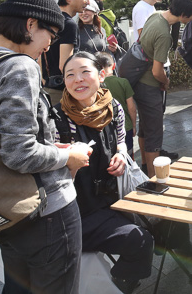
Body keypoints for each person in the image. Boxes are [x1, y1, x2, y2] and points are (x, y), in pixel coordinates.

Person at [0, 0, 90, 293]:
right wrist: (68, 156)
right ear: (31, 24)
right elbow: (18, 152)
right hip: (45, 210)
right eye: (50, 36)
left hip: (4, 205)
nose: (48, 46)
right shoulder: (21, 65)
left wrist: (46, 146)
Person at [54, 51, 152, 294]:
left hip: (113, 197)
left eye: (85, 72)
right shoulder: (57, 119)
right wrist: (69, 163)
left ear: (101, 75)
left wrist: (121, 154)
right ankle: (118, 286)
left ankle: (182, 251)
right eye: (70, 75)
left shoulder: (113, 106)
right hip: (77, 213)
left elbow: (120, 139)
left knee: (167, 220)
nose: (78, 79)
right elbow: (47, 171)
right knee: (139, 240)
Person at [135, 0, 192, 177]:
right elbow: (157, 71)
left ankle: (143, 166)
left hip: (139, 81)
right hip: (149, 86)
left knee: (145, 129)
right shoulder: (164, 33)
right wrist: (166, 82)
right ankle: (153, 179)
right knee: (154, 136)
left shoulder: (156, 15)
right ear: (183, 15)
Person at [42, 0, 89, 104]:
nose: (88, 2)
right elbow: (65, 65)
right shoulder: (68, 24)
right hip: (64, 92)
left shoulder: (50, 20)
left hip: (48, 88)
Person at [95, 51, 138, 158]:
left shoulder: (96, 85)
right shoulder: (123, 82)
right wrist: (133, 125)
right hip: (125, 126)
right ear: (114, 65)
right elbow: (131, 107)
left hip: (105, 129)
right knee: (128, 156)